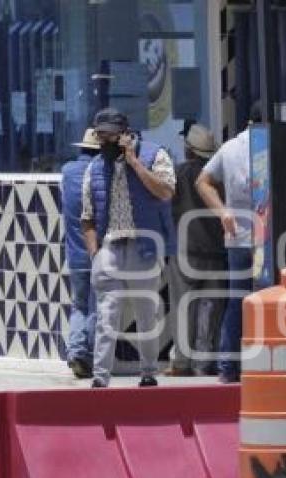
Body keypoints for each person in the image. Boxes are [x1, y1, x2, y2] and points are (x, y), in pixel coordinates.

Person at [81, 108, 177, 388]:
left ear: (124, 134)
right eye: (100, 137)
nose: (104, 142)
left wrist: (134, 163)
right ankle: (100, 378)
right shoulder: (95, 167)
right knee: (106, 316)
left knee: (146, 313)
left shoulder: (155, 155)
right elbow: (86, 216)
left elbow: (166, 191)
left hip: (143, 247)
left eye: (109, 136)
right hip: (109, 249)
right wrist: (94, 253)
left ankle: (148, 372)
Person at [196, 102, 260, 383]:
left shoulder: (230, 147)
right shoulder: (276, 141)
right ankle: (262, 365)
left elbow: (203, 181)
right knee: (269, 302)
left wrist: (222, 212)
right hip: (269, 239)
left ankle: (228, 368)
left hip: (238, 238)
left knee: (238, 302)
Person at [165, 124, 226, 377]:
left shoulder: (177, 174)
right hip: (217, 250)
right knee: (211, 309)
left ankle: (181, 362)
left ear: (188, 150)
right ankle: (204, 363)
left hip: (184, 251)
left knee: (183, 307)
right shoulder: (218, 177)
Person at [62, 128, 100, 379]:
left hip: (74, 253)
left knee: (79, 305)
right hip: (97, 250)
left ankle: (75, 351)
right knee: (96, 306)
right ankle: (87, 356)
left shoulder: (67, 171)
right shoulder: (100, 172)